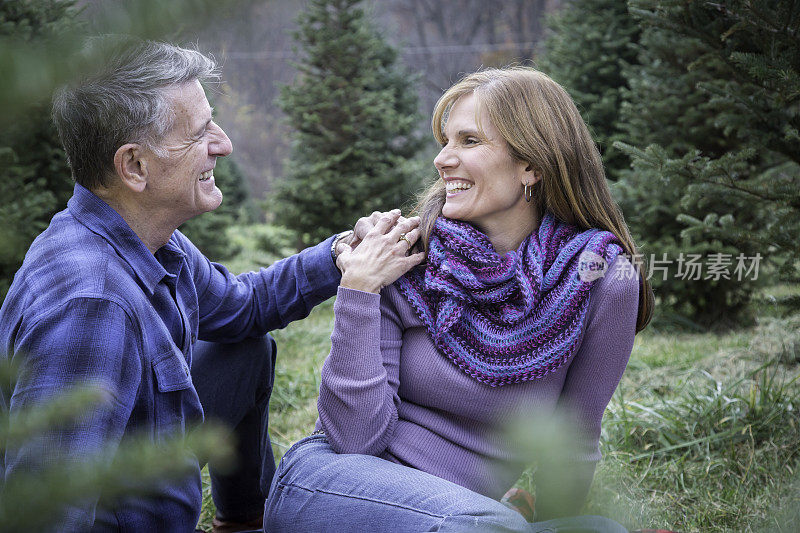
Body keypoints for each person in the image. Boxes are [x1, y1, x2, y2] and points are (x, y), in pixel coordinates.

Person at [0, 39, 422, 532]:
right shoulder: (92, 306)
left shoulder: (153, 239)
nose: (223, 144)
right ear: (134, 166)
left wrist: (341, 253)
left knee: (245, 346)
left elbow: (243, 307)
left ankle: (245, 518)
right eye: (200, 133)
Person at [263, 67, 655, 533]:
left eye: (468, 141)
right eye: (445, 141)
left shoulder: (600, 278)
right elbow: (354, 439)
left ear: (531, 166)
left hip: (463, 517)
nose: (442, 159)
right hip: (335, 486)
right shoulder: (406, 254)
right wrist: (359, 290)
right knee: (486, 526)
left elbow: (572, 441)